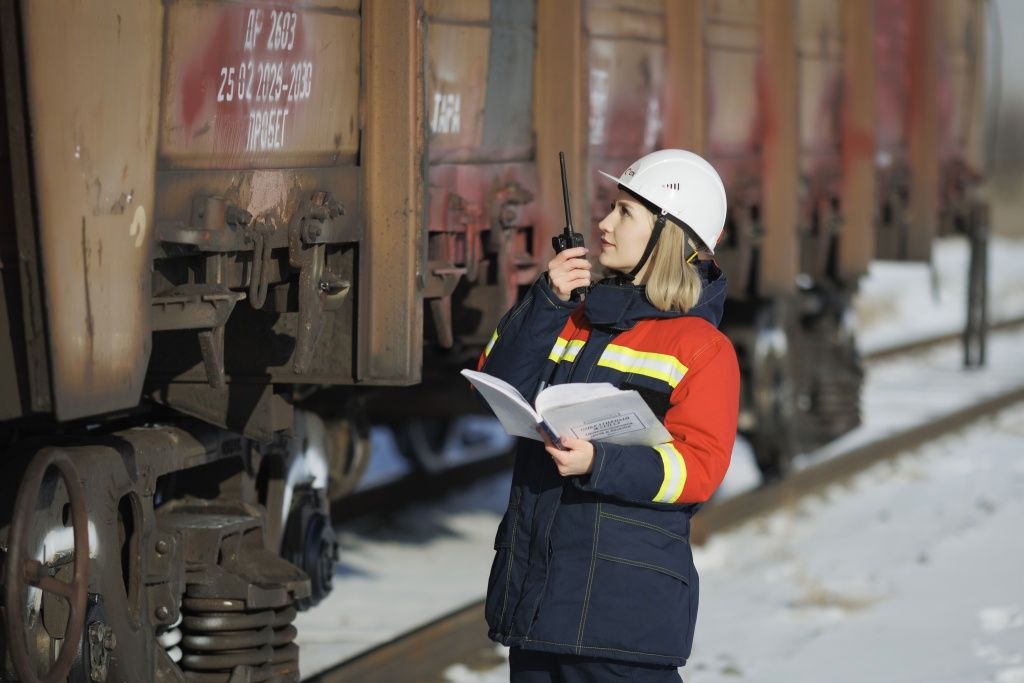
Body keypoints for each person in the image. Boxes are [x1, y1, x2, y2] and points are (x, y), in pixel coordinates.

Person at [474, 149, 739, 682]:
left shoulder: (701, 348)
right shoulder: (569, 316)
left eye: (625, 213)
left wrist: (600, 462)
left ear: (668, 237)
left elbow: (698, 471)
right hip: (536, 605)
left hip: (622, 623)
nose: (603, 224)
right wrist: (545, 301)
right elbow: (497, 382)